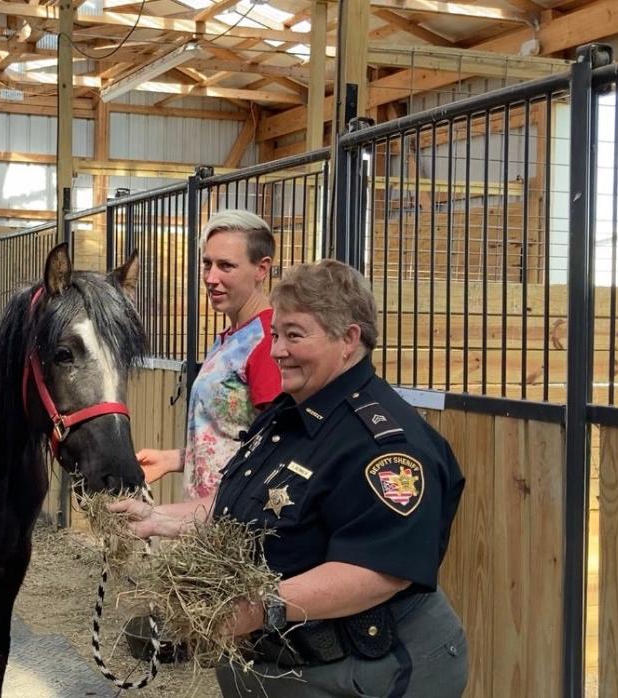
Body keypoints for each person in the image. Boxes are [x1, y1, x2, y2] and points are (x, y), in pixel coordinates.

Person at [111, 259, 469, 697]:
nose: (276, 349)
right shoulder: (288, 413)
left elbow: (379, 572)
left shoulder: (386, 447)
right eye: (275, 334)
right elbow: (237, 508)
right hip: (278, 663)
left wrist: (260, 608)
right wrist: (157, 518)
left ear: (348, 340)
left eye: (294, 335)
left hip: (365, 671)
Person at [136, 209, 281, 499]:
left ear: (261, 269)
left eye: (226, 266)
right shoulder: (232, 338)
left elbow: (276, 444)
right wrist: (175, 459)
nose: (211, 277)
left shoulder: (266, 342)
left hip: (237, 516)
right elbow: (230, 437)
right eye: (207, 264)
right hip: (206, 517)